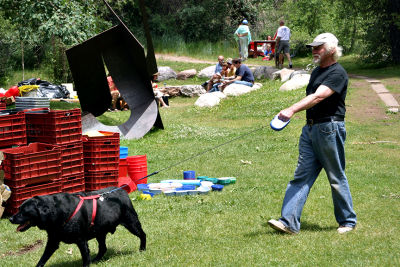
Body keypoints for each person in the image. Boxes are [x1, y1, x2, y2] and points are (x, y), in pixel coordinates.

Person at [267, 33, 357, 235]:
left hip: (329, 129)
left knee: (335, 176)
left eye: (319, 47)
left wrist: (290, 110)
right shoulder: (317, 71)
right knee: (301, 176)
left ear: (332, 50)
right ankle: (288, 222)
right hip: (310, 129)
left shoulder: (338, 73)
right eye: (313, 47)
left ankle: (348, 221)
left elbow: (318, 97)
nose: (314, 50)